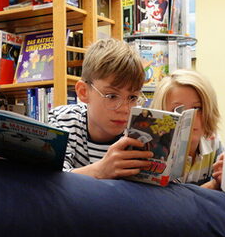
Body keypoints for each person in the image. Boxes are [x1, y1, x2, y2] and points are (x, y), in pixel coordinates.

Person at [47, 38, 152, 179]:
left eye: (132, 97)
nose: (125, 109)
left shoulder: (140, 132)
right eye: (112, 96)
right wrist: (100, 171)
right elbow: (49, 181)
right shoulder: (64, 121)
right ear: (83, 92)